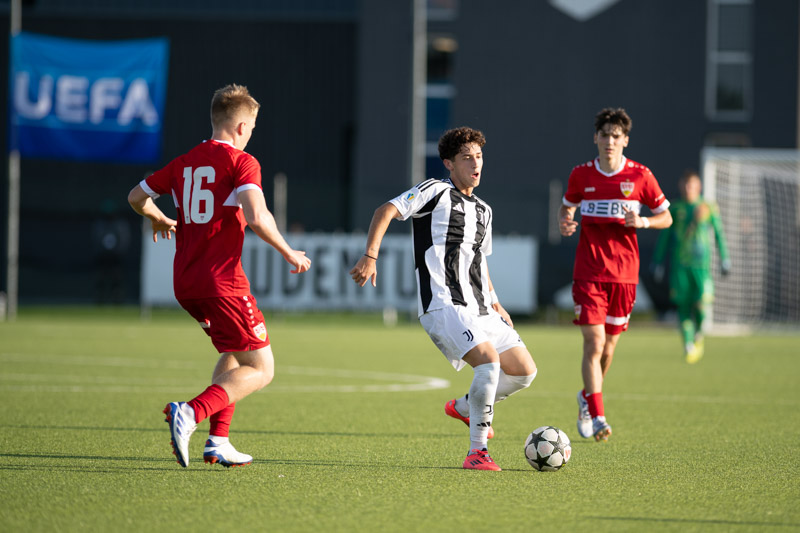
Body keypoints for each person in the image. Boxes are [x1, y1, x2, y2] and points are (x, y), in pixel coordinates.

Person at [127, 84, 311, 468]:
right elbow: (257, 216)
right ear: (242, 126)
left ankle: (219, 441)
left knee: (232, 352)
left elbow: (135, 197)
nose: (251, 134)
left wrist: (157, 217)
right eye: (252, 127)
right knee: (262, 369)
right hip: (223, 283)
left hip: (186, 283)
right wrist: (288, 251)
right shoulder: (241, 162)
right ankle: (190, 412)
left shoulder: (184, 162)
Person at [350, 127, 537, 471]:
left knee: (525, 371)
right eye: (467, 158)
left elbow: (479, 259)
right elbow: (385, 211)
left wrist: (496, 302)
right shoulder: (434, 191)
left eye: (479, 156)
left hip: (481, 307)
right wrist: (370, 255)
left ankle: (465, 407)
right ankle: (477, 452)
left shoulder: (484, 210)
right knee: (489, 363)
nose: (475, 164)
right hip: (443, 304)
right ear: (449, 163)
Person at [559, 108, 672, 442]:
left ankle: (586, 397)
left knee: (608, 349)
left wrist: (644, 221)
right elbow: (567, 205)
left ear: (625, 140)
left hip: (624, 275)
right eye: (604, 135)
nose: (610, 141)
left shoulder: (640, 175)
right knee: (594, 343)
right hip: (589, 272)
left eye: (616, 136)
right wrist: (565, 221)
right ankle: (598, 416)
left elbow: (666, 217)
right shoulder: (581, 174)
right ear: (596, 138)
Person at [651, 170, 730, 364]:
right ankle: (688, 345)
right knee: (683, 306)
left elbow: (718, 233)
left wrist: (725, 258)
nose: (689, 189)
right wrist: (658, 261)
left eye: (692, 185)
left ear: (699, 186)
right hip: (680, 267)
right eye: (686, 185)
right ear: (681, 186)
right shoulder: (676, 208)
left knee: (702, 305)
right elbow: (665, 237)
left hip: (701, 268)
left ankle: (699, 334)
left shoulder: (707, 207)